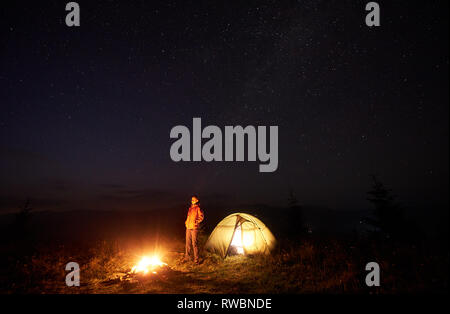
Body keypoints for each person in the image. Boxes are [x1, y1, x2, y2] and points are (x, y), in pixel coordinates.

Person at [184, 195, 204, 264]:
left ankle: (196, 259)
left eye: (193, 200)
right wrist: (186, 222)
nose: (192, 201)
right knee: (187, 243)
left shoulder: (198, 208)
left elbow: (201, 217)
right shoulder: (190, 208)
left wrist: (196, 221)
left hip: (194, 228)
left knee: (194, 243)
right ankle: (187, 257)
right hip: (188, 227)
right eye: (191, 200)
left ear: (197, 200)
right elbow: (188, 216)